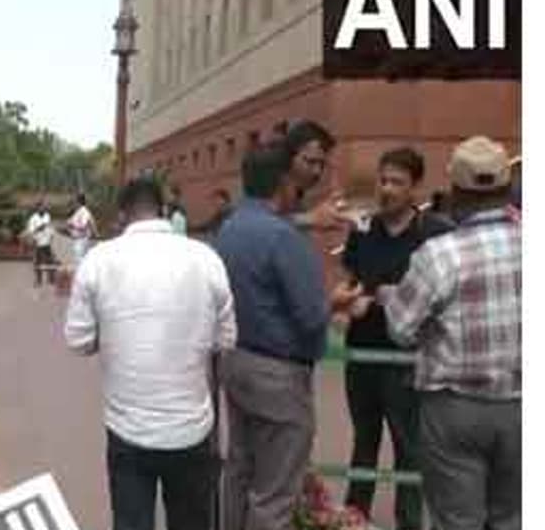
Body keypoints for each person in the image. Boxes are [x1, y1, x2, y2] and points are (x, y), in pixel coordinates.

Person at [64, 177, 236, 530]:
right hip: (191, 428)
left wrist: (113, 335)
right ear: (163, 211)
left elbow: (78, 340)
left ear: (122, 215)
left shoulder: (98, 261)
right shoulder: (206, 259)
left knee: (131, 522)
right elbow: (226, 339)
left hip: (128, 428)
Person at [381, 136, 521, 530]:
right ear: (507, 187)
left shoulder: (439, 254)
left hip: (455, 409)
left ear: (455, 192)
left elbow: (400, 329)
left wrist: (393, 298)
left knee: (457, 521)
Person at [331, 147, 452, 530]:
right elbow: (349, 279)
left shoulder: (433, 233)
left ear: (415, 188)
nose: (386, 189)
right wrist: (344, 303)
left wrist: (385, 298)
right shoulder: (364, 228)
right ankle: (355, 518)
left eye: (397, 182)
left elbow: (441, 293)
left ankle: (409, 522)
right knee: (364, 442)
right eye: (383, 180)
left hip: (407, 360)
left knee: (408, 446)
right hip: (362, 354)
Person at [214, 142, 329, 530]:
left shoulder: (229, 229)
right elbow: (311, 316)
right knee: (275, 491)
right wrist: (337, 303)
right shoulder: (282, 237)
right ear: (283, 181)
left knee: (240, 469)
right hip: (278, 373)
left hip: (236, 361)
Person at [283, 119, 353, 232]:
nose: (317, 171)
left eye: (322, 164)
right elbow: (258, 223)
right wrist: (308, 219)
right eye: (311, 162)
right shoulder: (268, 186)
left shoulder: (298, 192)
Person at [24, 201, 55, 288]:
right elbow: (31, 231)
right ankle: (38, 280)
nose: (43, 208)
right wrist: (40, 227)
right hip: (38, 242)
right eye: (41, 207)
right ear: (37, 208)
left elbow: (49, 226)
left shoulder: (47, 215)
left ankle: (51, 278)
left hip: (47, 242)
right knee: (38, 262)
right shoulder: (33, 218)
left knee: (50, 261)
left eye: (44, 207)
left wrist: (52, 235)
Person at [67, 192, 97, 260]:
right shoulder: (78, 211)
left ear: (79, 202)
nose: (73, 203)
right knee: (78, 258)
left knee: (80, 259)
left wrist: (72, 225)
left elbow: (83, 225)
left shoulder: (84, 212)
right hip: (77, 239)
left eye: (75, 201)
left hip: (82, 240)